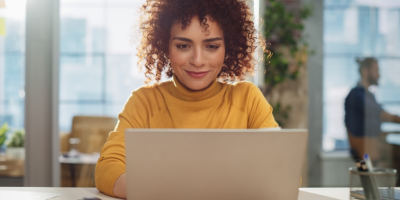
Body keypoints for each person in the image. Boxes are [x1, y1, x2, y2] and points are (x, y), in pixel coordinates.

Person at [95, 0, 278, 198]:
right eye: (183, 45)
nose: (198, 60)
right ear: (165, 46)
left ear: (228, 48)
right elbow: (108, 169)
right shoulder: (144, 102)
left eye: (212, 46)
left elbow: (281, 171)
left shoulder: (247, 99)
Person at [344, 57, 400, 165]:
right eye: (376, 70)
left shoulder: (368, 95)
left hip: (373, 143)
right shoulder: (356, 94)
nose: (379, 75)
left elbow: (376, 119)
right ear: (365, 71)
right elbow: (381, 114)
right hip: (366, 147)